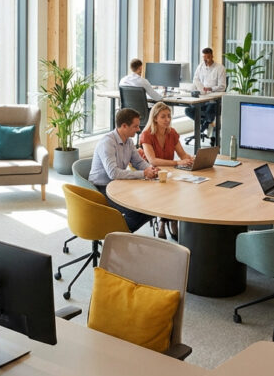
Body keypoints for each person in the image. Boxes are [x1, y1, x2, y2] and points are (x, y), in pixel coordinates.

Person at [89, 107, 159, 232]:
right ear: (124, 126)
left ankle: (121, 233)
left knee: (152, 207)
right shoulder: (107, 143)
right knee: (134, 211)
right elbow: (113, 173)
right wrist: (143, 173)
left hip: (118, 184)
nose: (138, 130)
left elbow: (138, 161)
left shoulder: (129, 141)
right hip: (102, 187)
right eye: (135, 126)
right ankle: (117, 235)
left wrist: (150, 168)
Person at [140, 102, 193, 239]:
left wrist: (190, 159)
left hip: (170, 173)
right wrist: (177, 162)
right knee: (166, 190)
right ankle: (164, 223)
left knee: (179, 188)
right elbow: (152, 160)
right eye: (163, 117)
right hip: (152, 174)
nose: (167, 119)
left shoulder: (172, 133)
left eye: (169, 116)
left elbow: (182, 154)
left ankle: (172, 221)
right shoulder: (147, 135)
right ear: (155, 118)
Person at [185, 47, 226, 136]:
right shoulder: (200, 67)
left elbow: (222, 87)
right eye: (204, 57)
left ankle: (206, 124)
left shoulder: (220, 68)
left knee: (209, 112)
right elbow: (195, 80)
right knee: (188, 110)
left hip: (213, 100)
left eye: (207, 57)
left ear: (212, 56)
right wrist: (191, 89)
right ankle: (208, 124)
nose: (205, 60)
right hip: (202, 97)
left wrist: (210, 88)